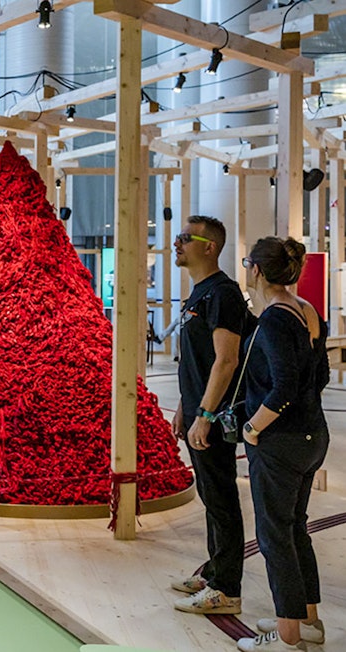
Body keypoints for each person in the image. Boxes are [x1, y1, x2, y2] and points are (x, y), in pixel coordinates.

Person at [235, 238, 328, 652]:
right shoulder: (307, 311)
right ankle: (306, 619)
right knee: (295, 528)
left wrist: (253, 428)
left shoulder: (273, 319)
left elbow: (283, 386)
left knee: (275, 535)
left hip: (281, 441)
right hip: (312, 434)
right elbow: (318, 377)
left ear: (256, 269)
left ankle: (286, 636)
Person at [171, 215, 249, 616]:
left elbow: (226, 360)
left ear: (209, 247)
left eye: (185, 238)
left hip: (216, 419)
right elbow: (196, 361)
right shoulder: (198, 294)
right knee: (209, 493)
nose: (176, 243)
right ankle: (214, 570)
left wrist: (205, 413)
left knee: (221, 497)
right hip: (198, 410)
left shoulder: (222, 294)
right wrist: (186, 406)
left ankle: (226, 589)